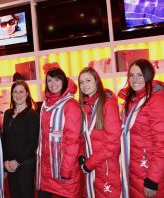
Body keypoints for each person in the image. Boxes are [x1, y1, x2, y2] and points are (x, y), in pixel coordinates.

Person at [118, 59, 164, 198]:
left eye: (139, 75)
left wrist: (152, 180)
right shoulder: (132, 99)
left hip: (148, 170)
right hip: (134, 168)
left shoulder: (155, 100)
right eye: (131, 75)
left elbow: (161, 143)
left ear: (149, 75)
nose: (134, 79)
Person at [36, 63, 82, 198]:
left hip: (62, 170)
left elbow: (72, 140)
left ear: (64, 81)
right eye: (49, 80)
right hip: (46, 170)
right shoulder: (46, 105)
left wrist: (66, 170)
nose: (53, 83)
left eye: (57, 79)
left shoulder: (71, 105)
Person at [77, 67, 121, 197]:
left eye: (88, 80)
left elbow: (113, 143)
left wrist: (89, 164)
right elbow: (81, 136)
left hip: (106, 166)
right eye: (81, 82)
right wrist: (81, 156)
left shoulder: (108, 104)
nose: (84, 85)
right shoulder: (83, 105)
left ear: (97, 81)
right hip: (89, 166)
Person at [2, 80, 39, 198]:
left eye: (21, 92)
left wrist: (17, 161)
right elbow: (5, 140)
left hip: (25, 164)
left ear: (27, 94)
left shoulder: (32, 114)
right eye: (15, 92)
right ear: (12, 95)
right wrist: (5, 162)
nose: (18, 95)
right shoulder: (7, 113)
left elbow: (33, 143)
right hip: (10, 165)